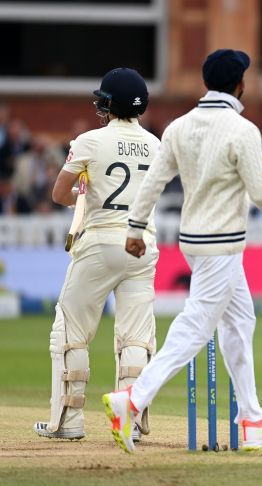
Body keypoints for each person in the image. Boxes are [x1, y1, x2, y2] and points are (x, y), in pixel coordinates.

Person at [102, 49, 262, 454]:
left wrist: (134, 227)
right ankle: (132, 399)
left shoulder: (179, 127)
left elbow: (153, 183)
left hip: (196, 242)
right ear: (239, 84)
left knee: (240, 321)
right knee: (196, 326)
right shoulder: (243, 129)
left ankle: (251, 419)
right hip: (221, 244)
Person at [33, 68, 160, 443]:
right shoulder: (156, 144)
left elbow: (59, 194)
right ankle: (131, 425)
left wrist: (83, 197)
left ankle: (69, 422)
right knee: (136, 338)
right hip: (142, 244)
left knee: (71, 331)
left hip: (101, 242)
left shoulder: (88, 140)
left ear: (109, 104)